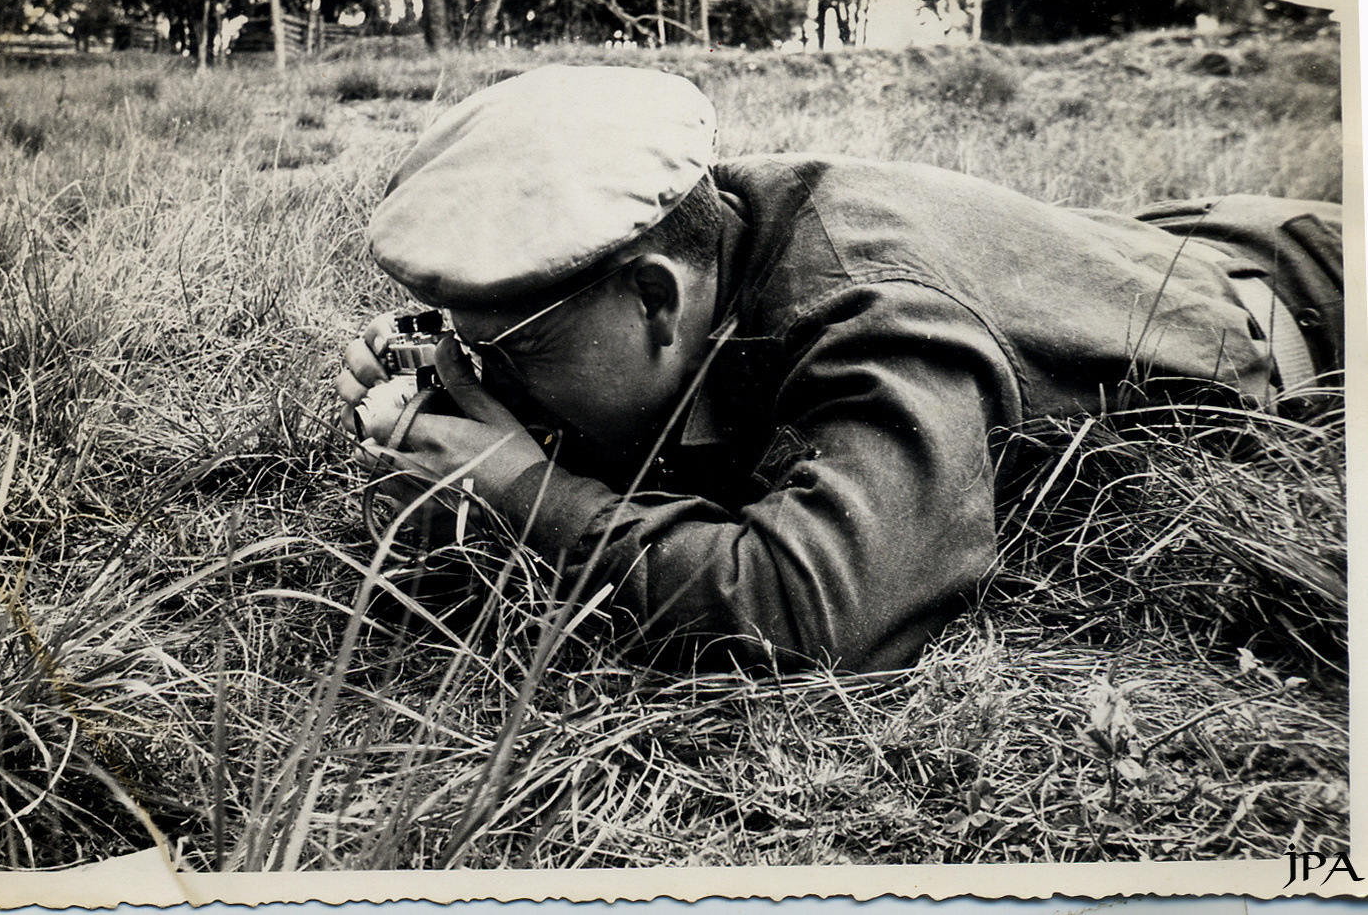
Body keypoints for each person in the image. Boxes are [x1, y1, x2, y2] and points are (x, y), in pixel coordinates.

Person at [336, 65, 1344, 673]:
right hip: (1169, 245)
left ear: (653, 296)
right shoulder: (704, 233)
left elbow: (824, 617)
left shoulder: (865, 312)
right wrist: (448, 373)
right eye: (459, 335)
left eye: (512, 349)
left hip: (1319, 301)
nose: (485, 373)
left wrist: (519, 487)